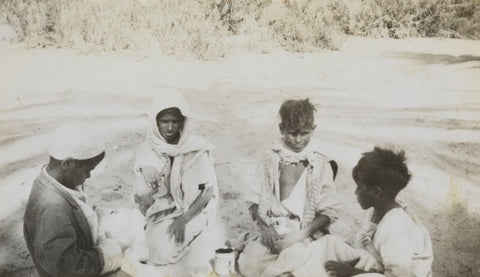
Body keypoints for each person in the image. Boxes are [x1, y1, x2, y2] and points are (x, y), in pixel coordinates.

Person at [261, 147, 433, 277]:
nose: (356, 192)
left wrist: (351, 272)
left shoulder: (396, 229)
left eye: (359, 187)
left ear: (377, 192)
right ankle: (295, 268)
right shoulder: (378, 210)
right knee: (328, 243)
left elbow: (399, 274)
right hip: (377, 263)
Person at [238, 98, 341, 277]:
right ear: (281, 129)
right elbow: (254, 200)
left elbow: (329, 211)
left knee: (303, 262)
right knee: (250, 264)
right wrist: (266, 229)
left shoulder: (320, 163)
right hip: (274, 229)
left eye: (304, 134)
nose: (298, 140)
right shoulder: (271, 159)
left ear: (313, 130)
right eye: (293, 133)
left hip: (304, 232)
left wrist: (298, 236)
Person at [23, 122, 124, 277]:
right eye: (88, 170)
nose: (89, 176)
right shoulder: (52, 207)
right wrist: (106, 256)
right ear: (67, 163)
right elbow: (65, 266)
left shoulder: (56, 181)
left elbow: (75, 208)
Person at [133, 89, 218, 269]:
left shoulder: (195, 148)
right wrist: (146, 166)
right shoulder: (151, 145)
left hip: (193, 209)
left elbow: (207, 192)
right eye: (164, 121)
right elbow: (140, 191)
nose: (170, 127)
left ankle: (198, 240)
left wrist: (183, 219)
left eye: (174, 121)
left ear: (182, 122)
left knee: (161, 255)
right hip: (164, 208)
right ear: (156, 122)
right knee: (144, 248)